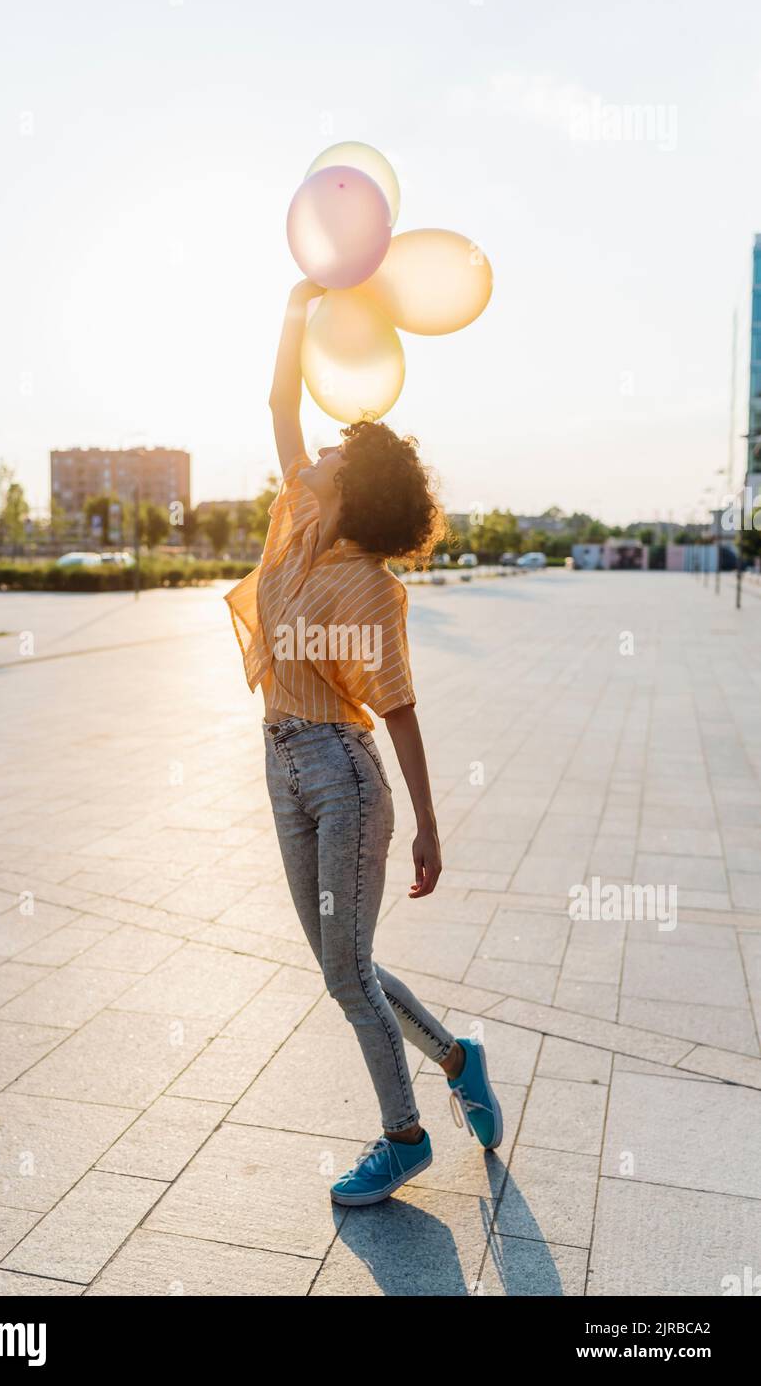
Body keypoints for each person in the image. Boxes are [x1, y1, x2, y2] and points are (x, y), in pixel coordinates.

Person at [224, 279, 502, 1206]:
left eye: (343, 448)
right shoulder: (302, 517)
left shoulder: (374, 590)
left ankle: (405, 1135)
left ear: (361, 481)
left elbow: (401, 709)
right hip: (281, 765)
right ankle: (459, 1057)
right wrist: (295, 305)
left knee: (345, 972)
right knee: (343, 963)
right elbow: (275, 403)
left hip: (343, 778)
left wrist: (428, 823)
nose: (327, 446)